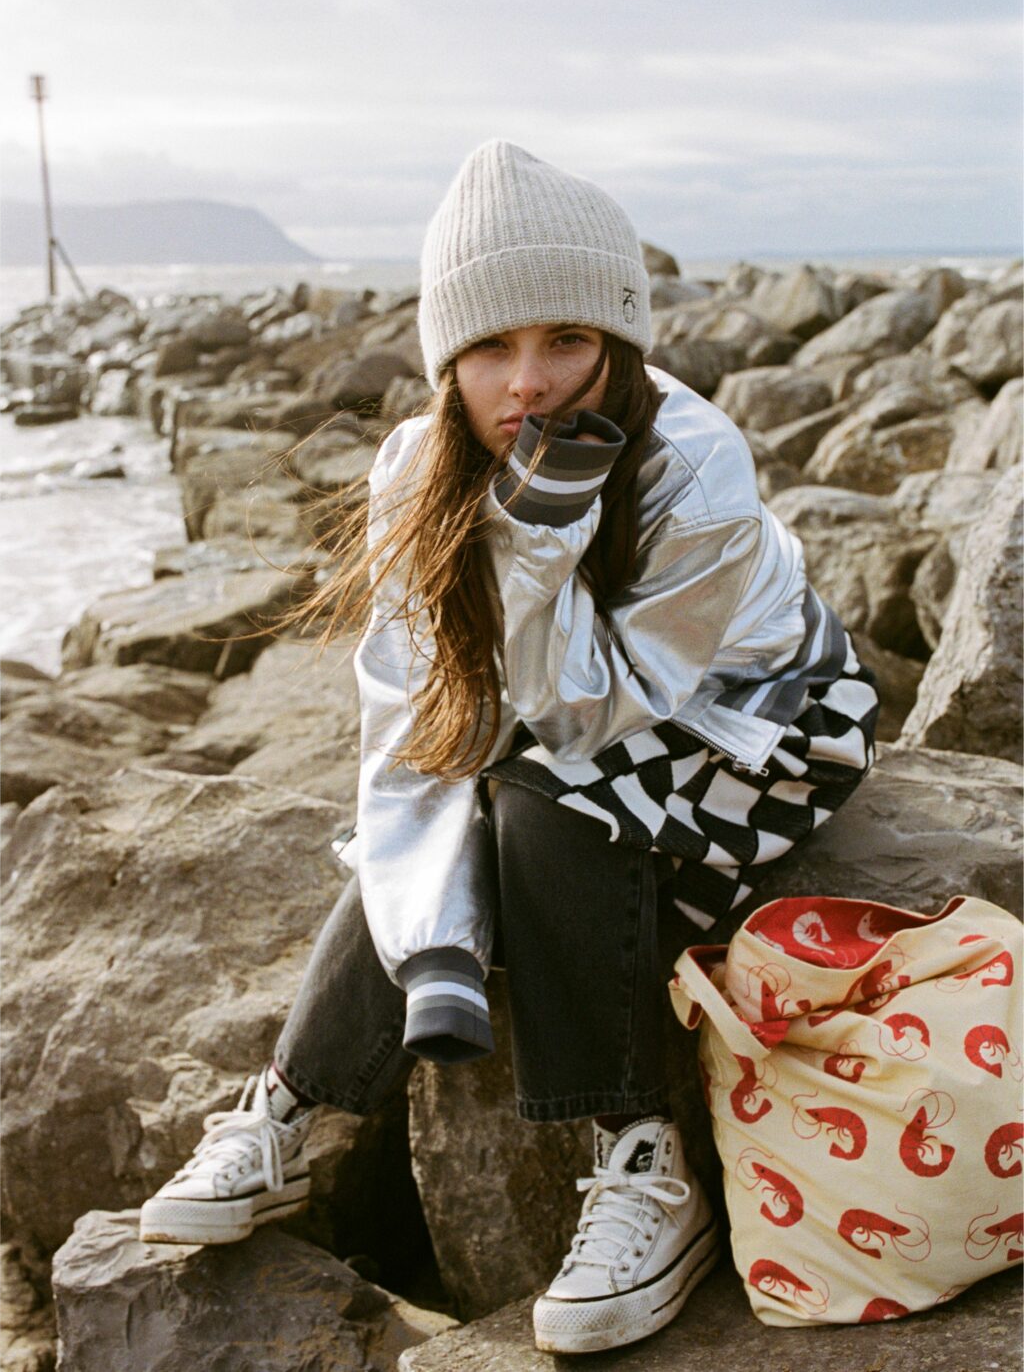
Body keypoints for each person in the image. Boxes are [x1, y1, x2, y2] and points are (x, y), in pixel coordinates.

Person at [138, 140, 877, 1354]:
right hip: (564, 725)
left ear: (617, 343)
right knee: (472, 791)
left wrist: (533, 538)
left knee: (534, 792)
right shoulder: (417, 468)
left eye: (563, 342)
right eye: (487, 347)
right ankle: (284, 1106)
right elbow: (419, 730)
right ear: (444, 361)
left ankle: (642, 1159)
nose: (525, 385)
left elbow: (599, 715)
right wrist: (432, 940)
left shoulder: (689, 462)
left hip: (756, 721)